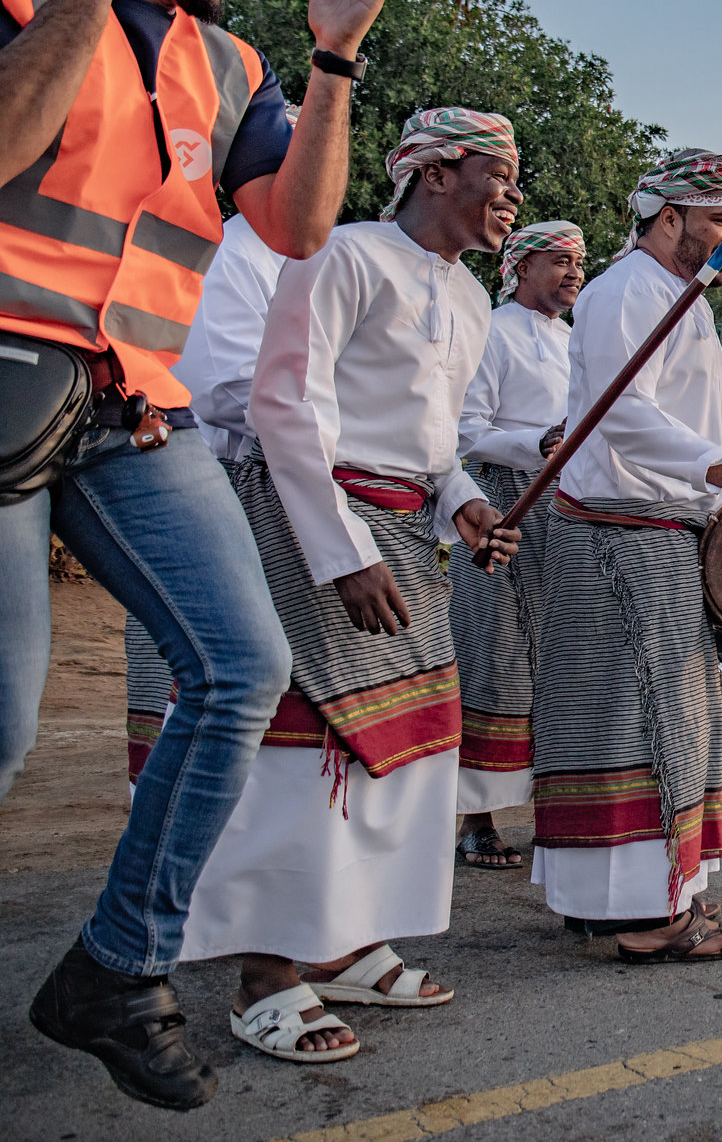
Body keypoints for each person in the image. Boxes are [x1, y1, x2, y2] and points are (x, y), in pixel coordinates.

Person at [6, 0, 403, 1107]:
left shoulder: (230, 65)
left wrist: (334, 59)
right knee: (4, 724)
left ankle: (117, 965)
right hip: (7, 382)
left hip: (132, 405)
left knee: (242, 664)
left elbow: (294, 226)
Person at [170, 108, 523, 1067]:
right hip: (313, 521)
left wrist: (465, 506)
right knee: (304, 747)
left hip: (406, 530)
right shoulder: (340, 255)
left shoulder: (475, 300)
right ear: (437, 171)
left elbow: (438, 445)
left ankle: (345, 936)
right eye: (499, 172)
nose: (513, 195)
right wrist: (340, 550)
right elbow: (287, 404)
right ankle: (265, 975)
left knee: (399, 746)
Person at [530, 150, 722, 962]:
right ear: (669, 219)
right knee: (640, 725)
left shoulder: (680, 298)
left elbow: (698, 426)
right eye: (717, 222)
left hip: (660, 534)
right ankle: (647, 918)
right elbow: (619, 417)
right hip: (620, 536)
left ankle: (627, 900)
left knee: (664, 721)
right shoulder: (626, 290)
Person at [123, 210, 287, 785]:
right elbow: (227, 390)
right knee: (201, 651)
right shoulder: (228, 252)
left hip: (278, 471)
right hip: (210, 472)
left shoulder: (301, 259)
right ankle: (169, 799)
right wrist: (337, 444)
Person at [449, 220, 584, 870]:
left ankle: (547, 814)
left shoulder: (573, 342)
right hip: (498, 510)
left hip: (561, 518)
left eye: (579, 263)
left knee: (555, 669)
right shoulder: (493, 331)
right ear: (522, 267)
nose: (572, 272)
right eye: (558, 260)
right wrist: (537, 444)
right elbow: (466, 432)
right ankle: (474, 820)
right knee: (494, 658)